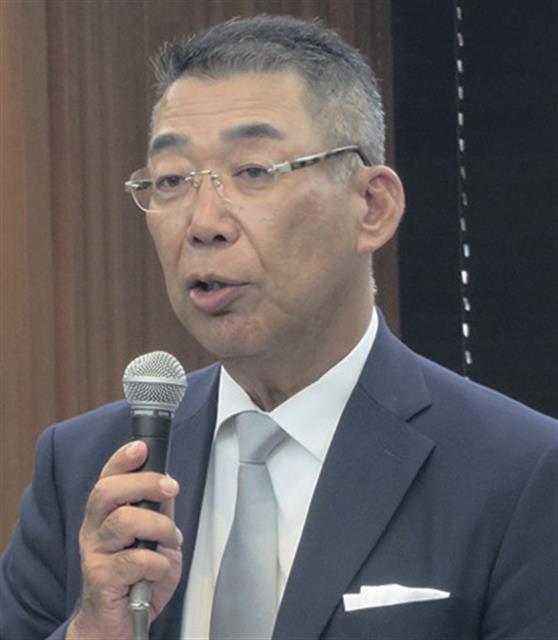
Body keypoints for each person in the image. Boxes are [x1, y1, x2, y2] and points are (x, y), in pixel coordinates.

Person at [1, 14, 556, 640]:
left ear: (372, 207)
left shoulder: (519, 474)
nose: (204, 223)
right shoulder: (84, 465)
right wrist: (92, 629)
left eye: (254, 172)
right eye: (173, 180)